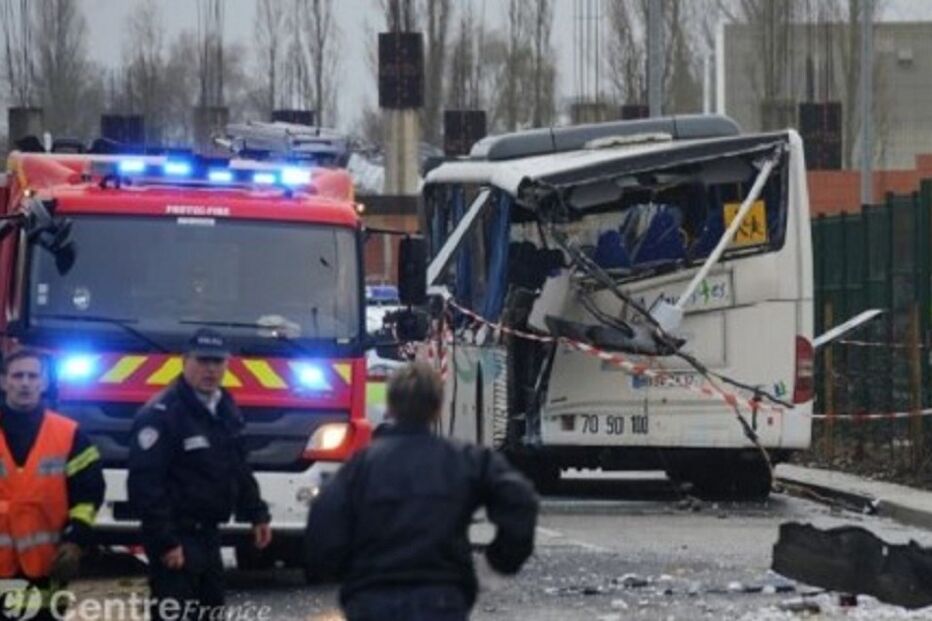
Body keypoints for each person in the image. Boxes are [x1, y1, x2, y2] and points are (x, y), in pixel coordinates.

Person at [305, 362, 539, 621]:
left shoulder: (361, 466)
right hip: (441, 597)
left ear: (391, 407)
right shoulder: (465, 460)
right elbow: (520, 500)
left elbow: (324, 523)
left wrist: (343, 570)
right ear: (437, 407)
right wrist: (498, 564)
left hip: (372, 596)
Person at [128, 329, 272, 621]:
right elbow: (146, 485)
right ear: (185, 362)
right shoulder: (162, 413)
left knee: (211, 612)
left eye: (218, 362)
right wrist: (166, 542)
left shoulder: (224, 406)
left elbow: (238, 466)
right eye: (203, 361)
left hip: (209, 535)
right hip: (177, 536)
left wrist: (257, 513)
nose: (211, 369)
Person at [0, 348, 105, 621]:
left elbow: (89, 492)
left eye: (32, 376)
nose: (25, 383)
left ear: (44, 383)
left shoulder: (69, 434)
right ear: (4, 381)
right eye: (17, 375)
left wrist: (76, 541)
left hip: (48, 563)